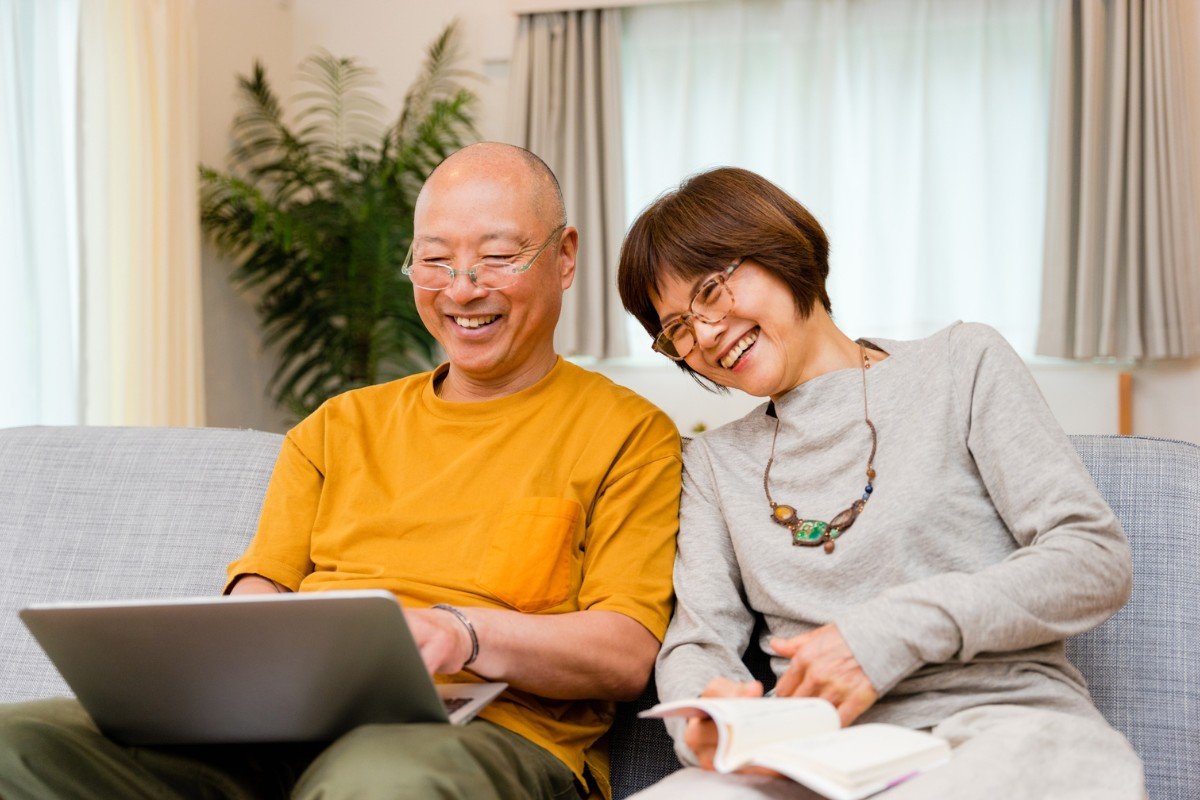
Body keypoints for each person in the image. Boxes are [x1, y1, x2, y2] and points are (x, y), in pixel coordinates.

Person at [0, 143, 682, 800]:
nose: (462, 289)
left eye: (498, 257)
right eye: (435, 261)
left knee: (378, 780)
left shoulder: (629, 434)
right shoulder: (336, 425)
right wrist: (229, 656)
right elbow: (263, 586)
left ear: (563, 258)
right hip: (279, 733)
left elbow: (624, 654)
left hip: (482, 737)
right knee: (20, 742)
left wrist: (462, 634)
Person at [615, 166, 1145, 799]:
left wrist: (884, 633)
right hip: (816, 755)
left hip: (1001, 728)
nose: (703, 335)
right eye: (675, 328)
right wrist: (706, 714)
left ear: (782, 248)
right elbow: (699, 638)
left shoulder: (961, 364)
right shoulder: (714, 463)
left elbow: (1093, 559)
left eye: (710, 290)